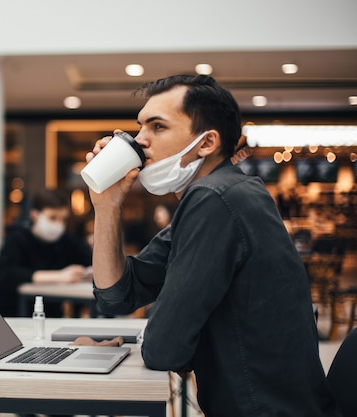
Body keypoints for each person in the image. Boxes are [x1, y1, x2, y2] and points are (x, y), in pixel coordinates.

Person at [84, 74, 339, 416]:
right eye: (140, 126)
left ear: (206, 143)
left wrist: (144, 341)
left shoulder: (215, 199)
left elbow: (164, 350)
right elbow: (118, 294)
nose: (138, 140)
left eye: (157, 127)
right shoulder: (226, 193)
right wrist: (106, 207)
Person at [0, 188, 92, 318]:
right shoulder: (16, 239)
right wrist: (58, 276)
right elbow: (7, 275)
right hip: (13, 314)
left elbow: (89, 262)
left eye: (63, 220)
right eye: (52, 218)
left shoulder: (66, 240)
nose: (59, 225)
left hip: (52, 316)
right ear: (35, 215)